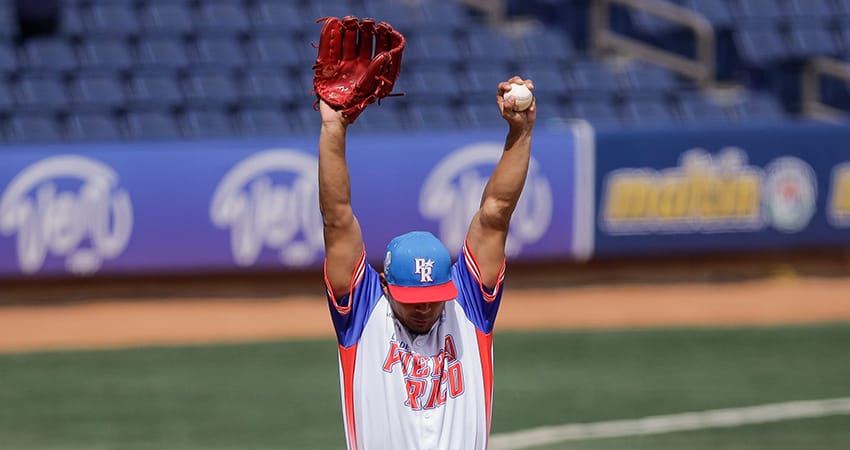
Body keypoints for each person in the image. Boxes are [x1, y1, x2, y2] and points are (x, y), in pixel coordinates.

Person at [318, 75, 536, 450]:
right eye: (413, 299)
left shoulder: (468, 303)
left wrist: (521, 133)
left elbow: (496, 213)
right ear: (386, 286)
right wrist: (333, 129)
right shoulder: (361, 312)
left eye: (433, 296)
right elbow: (337, 218)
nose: (425, 307)